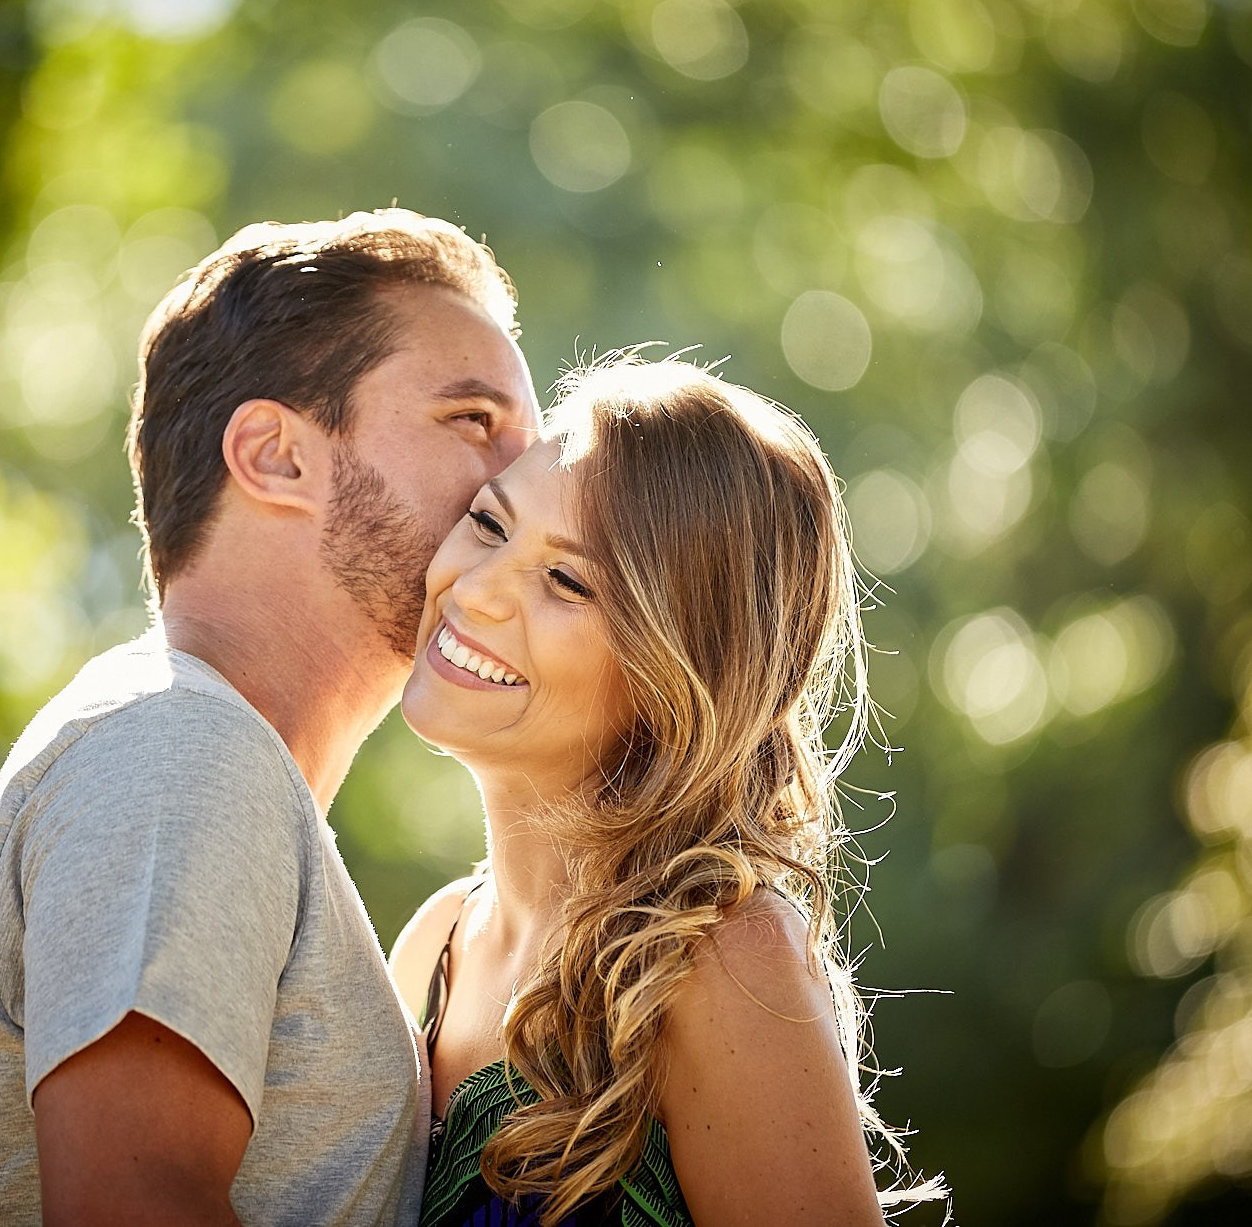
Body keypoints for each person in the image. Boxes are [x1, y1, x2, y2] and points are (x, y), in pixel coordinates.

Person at [0, 209, 540, 1226]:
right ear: (275, 457)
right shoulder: (183, 751)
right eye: (470, 421)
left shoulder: (207, 764)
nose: (519, 484)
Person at [390, 356, 938, 1225]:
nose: (478, 589)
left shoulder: (718, 961)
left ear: (675, 673)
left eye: (567, 581)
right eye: (491, 523)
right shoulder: (432, 949)